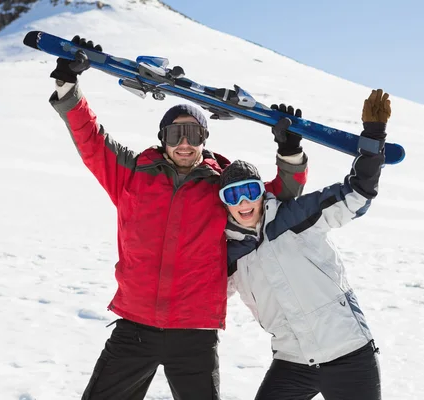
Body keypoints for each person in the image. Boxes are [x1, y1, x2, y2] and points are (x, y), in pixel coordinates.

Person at [47, 36, 308, 400]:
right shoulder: (133, 173)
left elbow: (278, 195)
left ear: (204, 138)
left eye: (193, 133)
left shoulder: (224, 186)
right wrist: (68, 87)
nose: (184, 143)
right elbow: (91, 139)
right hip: (134, 325)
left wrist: (290, 151)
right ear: (163, 137)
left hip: (194, 332)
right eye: (175, 133)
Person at [222, 89, 391, 400]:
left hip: (349, 353)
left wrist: (373, 136)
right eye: (232, 195)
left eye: (249, 191)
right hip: (293, 362)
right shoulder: (232, 255)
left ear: (262, 192)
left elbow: (357, 195)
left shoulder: (295, 218)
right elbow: (204, 297)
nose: (243, 202)